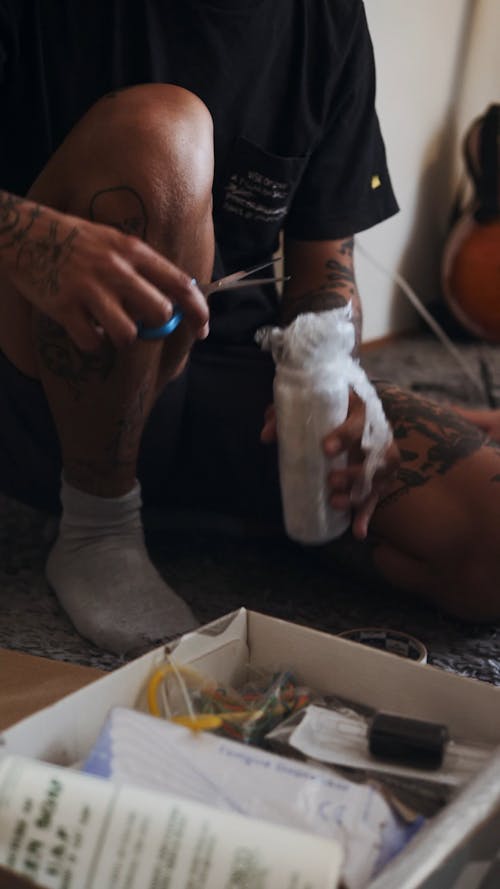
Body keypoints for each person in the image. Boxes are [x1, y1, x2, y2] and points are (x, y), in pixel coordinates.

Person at [1, 1, 499, 656]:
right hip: (47, 376)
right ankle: (98, 523)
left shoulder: (325, 21)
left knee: (485, 544)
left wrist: (334, 376)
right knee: (167, 135)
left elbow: (326, 268)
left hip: (230, 373)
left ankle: (215, 511)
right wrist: (25, 237)